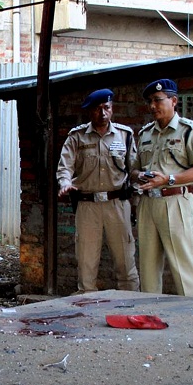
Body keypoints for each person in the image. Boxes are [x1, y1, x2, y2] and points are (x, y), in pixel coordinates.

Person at [56, 88, 139, 292]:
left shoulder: (125, 135)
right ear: (89, 111)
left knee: (125, 262)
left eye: (106, 108)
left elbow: (134, 168)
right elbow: (65, 166)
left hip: (117, 204)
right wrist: (65, 182)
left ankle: (131, 310)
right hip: (87, 205)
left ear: (112, 109)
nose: (102, 113)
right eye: (97, 109)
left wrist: (141, 183)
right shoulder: (77, 137)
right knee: (86, 263)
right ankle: (87, 309)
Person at [133, 78, 193, 297]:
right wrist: (140, 175)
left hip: (175, 201)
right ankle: (150, 318)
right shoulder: (145, 133)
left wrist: (168, 179)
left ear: (173, 100)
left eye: (158, 100)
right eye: (150, 102)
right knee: (148, 267)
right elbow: (134, 170)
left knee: (184, 265)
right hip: (148, 203)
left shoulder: (188, 131)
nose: (153, 106)